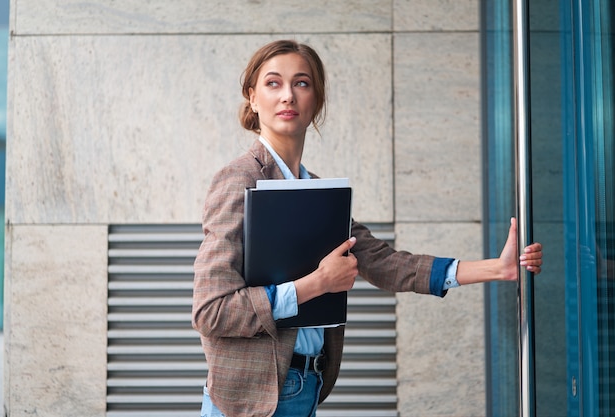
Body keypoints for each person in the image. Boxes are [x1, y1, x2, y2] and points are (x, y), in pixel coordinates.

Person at [192, 39, 543, 417]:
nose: (288, 96)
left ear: (317, 101)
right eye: (273, 83)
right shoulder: (239, 180)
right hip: (250, 401)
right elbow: (211, 311)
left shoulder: (317, 191)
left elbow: (386, 263)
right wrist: (317, 284)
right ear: (253, 97)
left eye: (302, 83)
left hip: (302, 389)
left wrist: (497, 268)